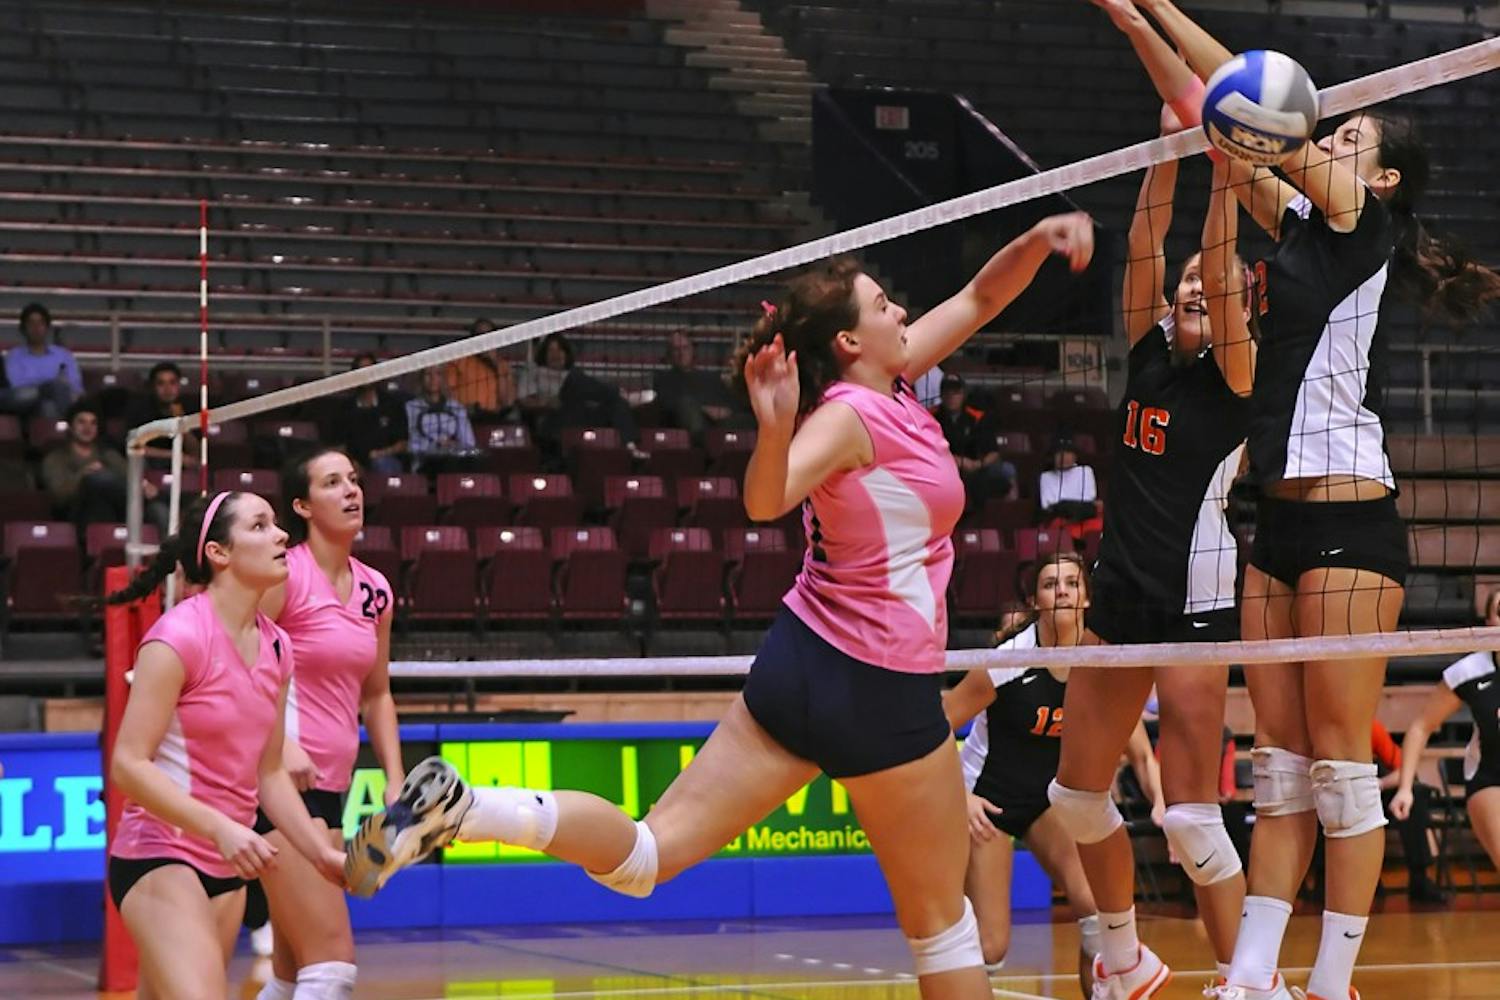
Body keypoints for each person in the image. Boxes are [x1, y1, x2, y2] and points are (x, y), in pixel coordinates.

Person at [344, 213, 1096, 999]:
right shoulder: (849, 416)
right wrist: (772, 432)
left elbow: (979, 297)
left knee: (645, 857)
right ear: (848, 343)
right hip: (882, 686)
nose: (902, 314)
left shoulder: (895, 380)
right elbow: (768, 497)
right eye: (883, 307)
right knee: (945, 930)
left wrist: (1040, 239)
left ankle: (472, 810)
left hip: (803, 663)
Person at [1126, 3, 1500, 999]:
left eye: (1351, 136)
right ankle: (1254, 977)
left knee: (1339, 767)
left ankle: (1331, 983)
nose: (1332, 132)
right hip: (1274, 522)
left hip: (1349, 521)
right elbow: (1212, 107)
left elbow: (1258, 110)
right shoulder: (1295, 228)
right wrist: (1137, 18)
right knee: (1279, 766)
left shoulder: (1361, 222)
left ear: (1378, 178)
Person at [1052, 8, 1260, 997]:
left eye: (1201, 286)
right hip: (1119, 594)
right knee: (1076, 796)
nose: (1186, 287)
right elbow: (1146, 236)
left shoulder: (1238, 380)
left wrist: (1224, 170)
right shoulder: (1143, 355)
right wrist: (1170, 145)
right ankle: (1126, 958)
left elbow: (1215, 261)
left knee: (1188, 816)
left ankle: (1245, 977)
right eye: (1179, 284)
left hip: (1200, 600)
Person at [105, 491, 346, 999]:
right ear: (219, 553)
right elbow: (128, 764)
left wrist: (321, 855)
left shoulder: (278, 645)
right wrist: (221, 829)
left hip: (225, 870)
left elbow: (270, 773)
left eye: (276, 524)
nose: (281, 535)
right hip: (161, 855)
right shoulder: (178, 639)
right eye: (259, 526)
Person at [945, 552, 1162, 999]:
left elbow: (1140, 752)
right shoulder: (1007, 662)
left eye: (1071, 582)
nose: (1061, 590)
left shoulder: (1100, 663)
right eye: (1050, 584)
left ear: (1086, 597)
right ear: (1035, 599)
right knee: (992, 946)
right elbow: (936, 723)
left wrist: (1162, 806)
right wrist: (959, 798)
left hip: (1048, 800)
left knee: (1096, 913)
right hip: (987, 801)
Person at [249, 448, 403, 1000]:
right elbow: (240, 661)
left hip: (329, 788)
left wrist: (394, 775)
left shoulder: (376, 589)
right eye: (332, 482)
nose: (350, 491)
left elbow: (378, 693)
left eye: (354, 480)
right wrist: (281, 742)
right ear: (302, 505)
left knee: (293, 975)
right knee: (331, 966)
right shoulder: (285, 574)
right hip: (272, 786)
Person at [1390, 591, 1500, 879]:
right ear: (1489, 621)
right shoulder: (1470, 671)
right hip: (1490, 780)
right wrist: (1404, 788)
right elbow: (1420, 727)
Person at [40, 401, 130, 528]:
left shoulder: (109, 455)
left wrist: (143, 485)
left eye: (93, 423)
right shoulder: (55, 458)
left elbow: (129, 478)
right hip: (75, 515)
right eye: (81, 422)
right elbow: (59, 496)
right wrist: (82, 475)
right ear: (71, 426)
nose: (88, 428)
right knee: (95, 483)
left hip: (116, 511)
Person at [932, 373, 1016, 510]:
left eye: (956, 392)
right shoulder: (930, 416)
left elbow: (993, 452)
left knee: (1007, 470)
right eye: (947, 392)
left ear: (963, 394)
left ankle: (1007, 513)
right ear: (941, 395)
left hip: (976, 466)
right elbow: (927, 451)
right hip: (943, 467)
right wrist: (957, 461)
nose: (952, 396)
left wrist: (978, 464)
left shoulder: (977, 416)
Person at [652, 330, 744, 440]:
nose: (681, 353)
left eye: (685, 348)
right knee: (688, 409)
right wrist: (704, 409)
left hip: (718, 425)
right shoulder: (663, 379)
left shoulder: (711, 378)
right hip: (686, 429)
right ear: (669, 354)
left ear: (692, 350)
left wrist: (726, 411)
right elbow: (668, 404)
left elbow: (731, 402)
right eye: (676, 349)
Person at [0, 303, 81, 421]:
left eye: (40, 323)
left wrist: (52, 387)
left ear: (47, 327)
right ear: (23, 328)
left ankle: (58, 432)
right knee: (50, 389)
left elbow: (75, 386)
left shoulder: (63, 355)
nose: (36, 327)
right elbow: (17, 387)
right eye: (31, 323)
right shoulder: (14, 356)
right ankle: (69, 428)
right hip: (25, 402)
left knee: (48, 406)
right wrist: (48, 386)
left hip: (56, 400)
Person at [331, 353, 408, 475]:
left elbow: (403, 443)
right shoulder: (345, 408)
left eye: (369, 370)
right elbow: (340, 446)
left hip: (386, 460)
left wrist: (380, 454)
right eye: (360, 370)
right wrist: (352, 462)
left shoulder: (392, 404)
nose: (365, 374)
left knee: (382, 464)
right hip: (355, 464)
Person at [123, 362, 199, 470]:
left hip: (181, 466)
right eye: (161, 383)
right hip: (149, 465)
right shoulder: (140, 409)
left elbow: (196, 452)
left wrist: (181, 421)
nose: (167, 389)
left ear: (179, 385)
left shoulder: (190, 408)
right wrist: (174, 455)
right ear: (153, 386)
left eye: (172, 383)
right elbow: (133, 446)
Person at [445, 318, 522, 423]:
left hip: (494, 419)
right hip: (466, 418)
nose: (485, 339)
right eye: (480, 335)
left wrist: (496, 366)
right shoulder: (458, 362)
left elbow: (507, 402)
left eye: (489, 335)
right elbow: (448, 396)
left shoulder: (503, 366)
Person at [405, 366, 480, 474]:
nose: (433, 379)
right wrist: (435, 446)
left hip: (453, 459)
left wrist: (453, 445)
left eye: (438, 374)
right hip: (424, 463)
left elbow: (469, 443)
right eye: (428, 374)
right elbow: (410, 445)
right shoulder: (410, 408)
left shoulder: (456, 408)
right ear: (421, 379)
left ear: (443, 378)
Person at [1037, 435, 1102, 539]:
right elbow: (1047, 504)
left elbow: (1089, 497)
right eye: (1059, 454)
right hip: (1061, 518)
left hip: (1084, 515)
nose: (1063, 457)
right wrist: (1067, 505)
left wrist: (1065, 504)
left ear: (1075, 456)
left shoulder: (1085, 471)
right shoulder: (1046, 477)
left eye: (1067, 453)